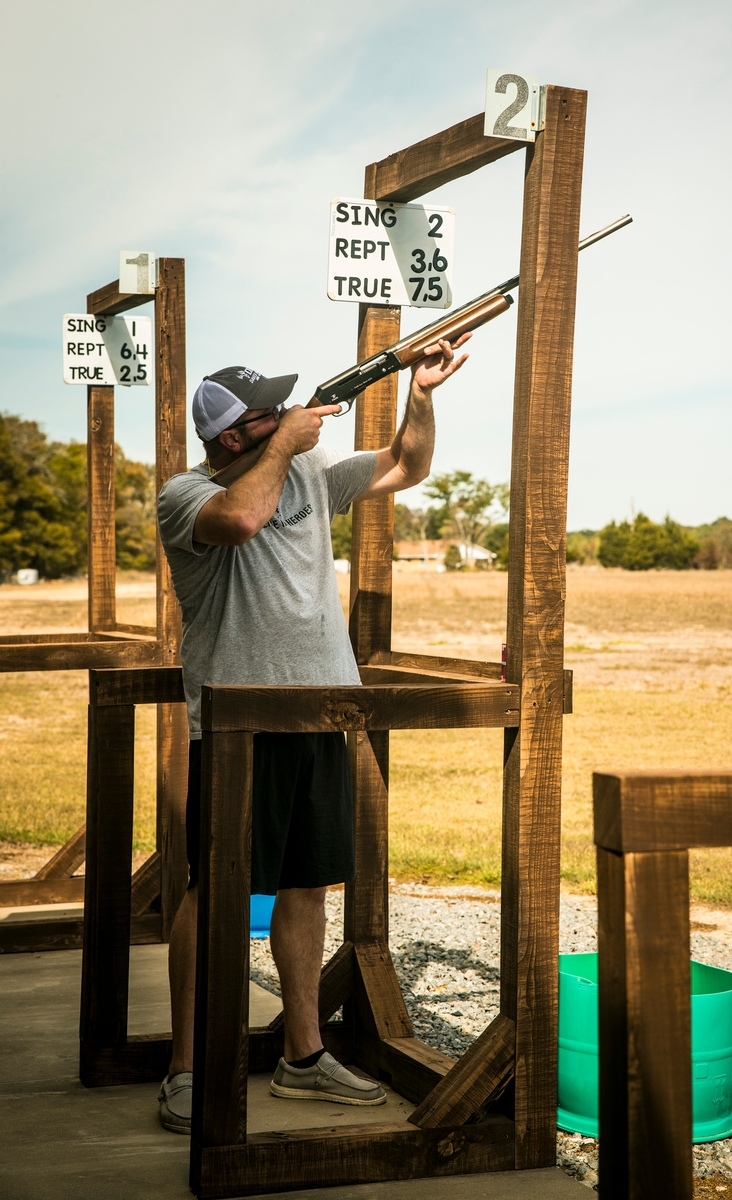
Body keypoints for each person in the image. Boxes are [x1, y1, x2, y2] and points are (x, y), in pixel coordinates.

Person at [154, 336, 469, 1133]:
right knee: (214, 893)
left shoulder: (305, 471)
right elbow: (241, 518)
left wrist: (421, 392)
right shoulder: (186, 495)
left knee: (305, 885)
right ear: (234, 437)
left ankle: (302, 1056)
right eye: (270, 414)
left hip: (320, 712)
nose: (293, 416)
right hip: (236, 724)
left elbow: (407, 465)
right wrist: (289, 444)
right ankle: (186, 1068)